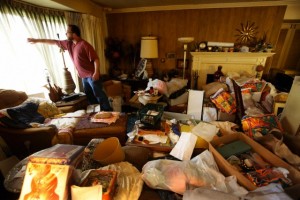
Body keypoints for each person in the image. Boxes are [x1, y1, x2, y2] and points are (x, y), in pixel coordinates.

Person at [27, 24, 112, 111]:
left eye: (67, 32)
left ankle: (109, 111)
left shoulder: (84, 45)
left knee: (99, 94)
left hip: (91, 75)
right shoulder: (69, 44)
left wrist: (96, 72)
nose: (66, 34)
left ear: (74, 34)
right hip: (84, 77)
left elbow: (96, 59)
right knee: (89, 96)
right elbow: (54, 42)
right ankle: (97, 113)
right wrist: (37, 40)